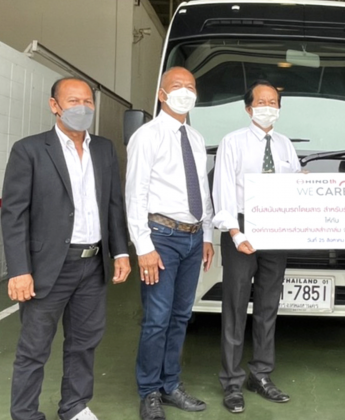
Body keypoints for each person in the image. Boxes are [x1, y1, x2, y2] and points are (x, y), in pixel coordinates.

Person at [2, 77, 131, 420]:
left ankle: (74, 406)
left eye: (88, 101)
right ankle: (25, 414)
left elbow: (113, 204)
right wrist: (19, 270)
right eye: (73, 101)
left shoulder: (103, 149)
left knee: (84, 343)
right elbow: (14, 215)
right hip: (49, 267)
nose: (82, 108)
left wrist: (120, 252)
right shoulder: (29, 150)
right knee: (34, 348)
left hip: (93, 264)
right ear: (54, 106)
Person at [125, 67, 215, 420]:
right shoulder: (147, 136)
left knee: (180, 316)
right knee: (157, 318)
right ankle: (149, 391)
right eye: (177, 86)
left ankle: (170, 385)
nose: (185, 92)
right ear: (162, 95)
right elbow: (135, 192)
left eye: (190, 86)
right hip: (161, 238)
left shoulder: (195, 137)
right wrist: (143, 246)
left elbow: (202, 190)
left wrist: (206, 235)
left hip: (193, 238)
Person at [212, 80, 301, 414]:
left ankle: (261, 374)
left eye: (273, 102)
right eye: (261, 102)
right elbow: (222, 189)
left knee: (268, 305)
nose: (268, 107)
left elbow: (295, 186)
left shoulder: (285, 145)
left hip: (276, 229)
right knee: (235, 306)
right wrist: (235, 233)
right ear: (248, 108)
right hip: (242, 227)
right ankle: (232, 382)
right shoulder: (232, 142)